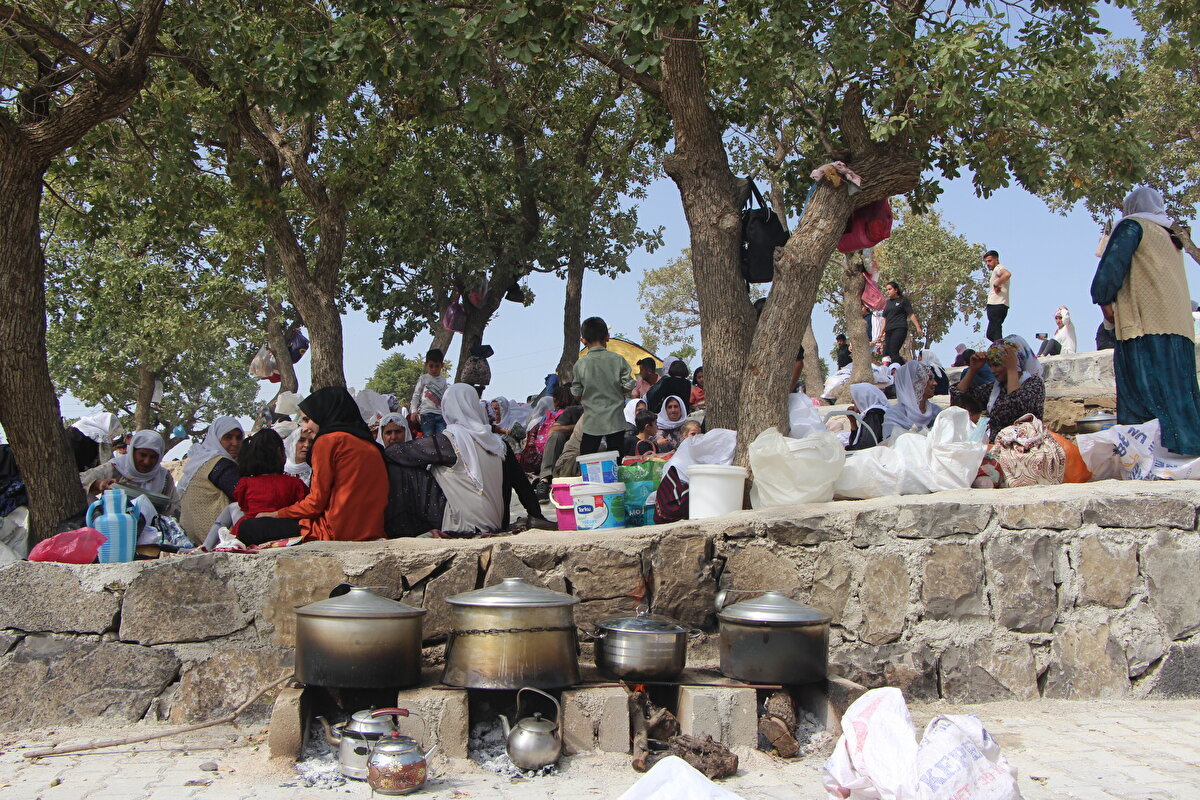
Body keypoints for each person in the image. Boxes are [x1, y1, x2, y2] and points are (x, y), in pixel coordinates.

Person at [1091, 186, 1200, 454]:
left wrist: (1103, 298)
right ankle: (1185, 452)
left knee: (1143, 398)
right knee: (1180, 398)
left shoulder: (1132, 226)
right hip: (1179, 328)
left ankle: (1149, 459)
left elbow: (1108, 276)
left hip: (1144, 327)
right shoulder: (1169, 236)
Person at [250, 386, 389, 542]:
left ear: (323, 414)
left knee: (250, 528)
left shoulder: (328, 441)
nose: (305, 427)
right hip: (372, 530)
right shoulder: (370, 446)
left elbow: (315, 504)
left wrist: (276, 514)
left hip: (335, 531)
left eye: (307, 419)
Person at [382, 383, 506, 537]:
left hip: (464, 525)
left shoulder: (451, 440)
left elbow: (397, 452)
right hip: (493, 523)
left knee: (398, 468)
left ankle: (398, 532)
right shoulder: (493, 442)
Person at [951, 336, 1045, 442]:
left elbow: (1015, 409)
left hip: (1023, 449)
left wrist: (1012, 369)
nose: (992, 371)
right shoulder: (996, 388)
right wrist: (973, 370)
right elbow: (959, 402)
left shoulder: (1034, 384)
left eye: (996, 365)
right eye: (990, 366)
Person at [229, 429, 308, 542]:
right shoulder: (295, 483)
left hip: (253, 532)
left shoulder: (245, 484)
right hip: (286, 531)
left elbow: (245, 509)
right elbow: (303, 509)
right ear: (280, 452)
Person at [571, 316, 635, 456]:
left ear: (583, 340)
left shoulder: (580, 364)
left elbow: (576, 393)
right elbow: (630, 383)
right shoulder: (618, 360)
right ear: (607, 337)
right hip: (615, 421)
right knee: (616, 460)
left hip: (592, 422)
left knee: (587, 459)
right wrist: (617, 391)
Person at [179, 416, 244, 544]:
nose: (235, 443)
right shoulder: (220, 464)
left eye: (238, 437)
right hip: (218, 540)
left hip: (195, 541)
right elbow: (245, 497)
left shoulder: (202, 461)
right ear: (216, 439)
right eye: (228, 437)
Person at [81, 429, 178, 513]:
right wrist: (97, 484)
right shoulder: (116, 468)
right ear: (132, 452)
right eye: (143, 455)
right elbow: (79, 482)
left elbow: (174, 506)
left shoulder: (164, 478)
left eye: (153, 457)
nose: (147, 462)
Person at [883, 362, 941, 438]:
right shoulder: (895, 415)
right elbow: (890, 443)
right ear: (915, 383)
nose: (935, 383)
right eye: (929, 379)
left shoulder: (936, 411)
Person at [875, 282, 923, 365]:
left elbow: (911, 314)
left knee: (894, 351)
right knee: (889, 353)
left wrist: (918, 327)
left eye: (890, 289)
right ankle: (903, 365)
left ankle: (906, 367)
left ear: (896, 290)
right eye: (886, 290)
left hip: (900, 327)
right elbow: (884, 318)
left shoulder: (903, 300)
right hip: (889, 330)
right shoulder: (887, 303)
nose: (888, 291)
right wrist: (881, 332)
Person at [409, 348, 448, 438]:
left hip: (440, 414)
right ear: (426, 365)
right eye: (431, 366)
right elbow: (416, 395)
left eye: (437, 366)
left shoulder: (443, 381)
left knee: (442, 438)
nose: (434, 369)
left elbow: (446, 399)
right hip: (426, 414)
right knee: (428, 439)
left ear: (442, 365)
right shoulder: (423, 378)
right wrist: (414, 411)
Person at [846, 384, 888, 450]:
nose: (852, 401)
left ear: (862, 398)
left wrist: (844, 450)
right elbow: (856, 442)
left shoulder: (874, 414)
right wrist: (852, 421)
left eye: (855, 397)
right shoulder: (870, 414)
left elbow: (867, 446)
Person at [984, 250, 1012, 341]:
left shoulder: (998, 268)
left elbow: (1007, 274)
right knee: (990, 334)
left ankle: (1002, 351)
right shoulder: (995, 271)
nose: (987, 264)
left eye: (990, 261)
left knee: (996, 334)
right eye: (986, 262)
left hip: (997, 305)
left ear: (996, 260)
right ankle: (1001, 348)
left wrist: (997, 284)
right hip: (995, 306)